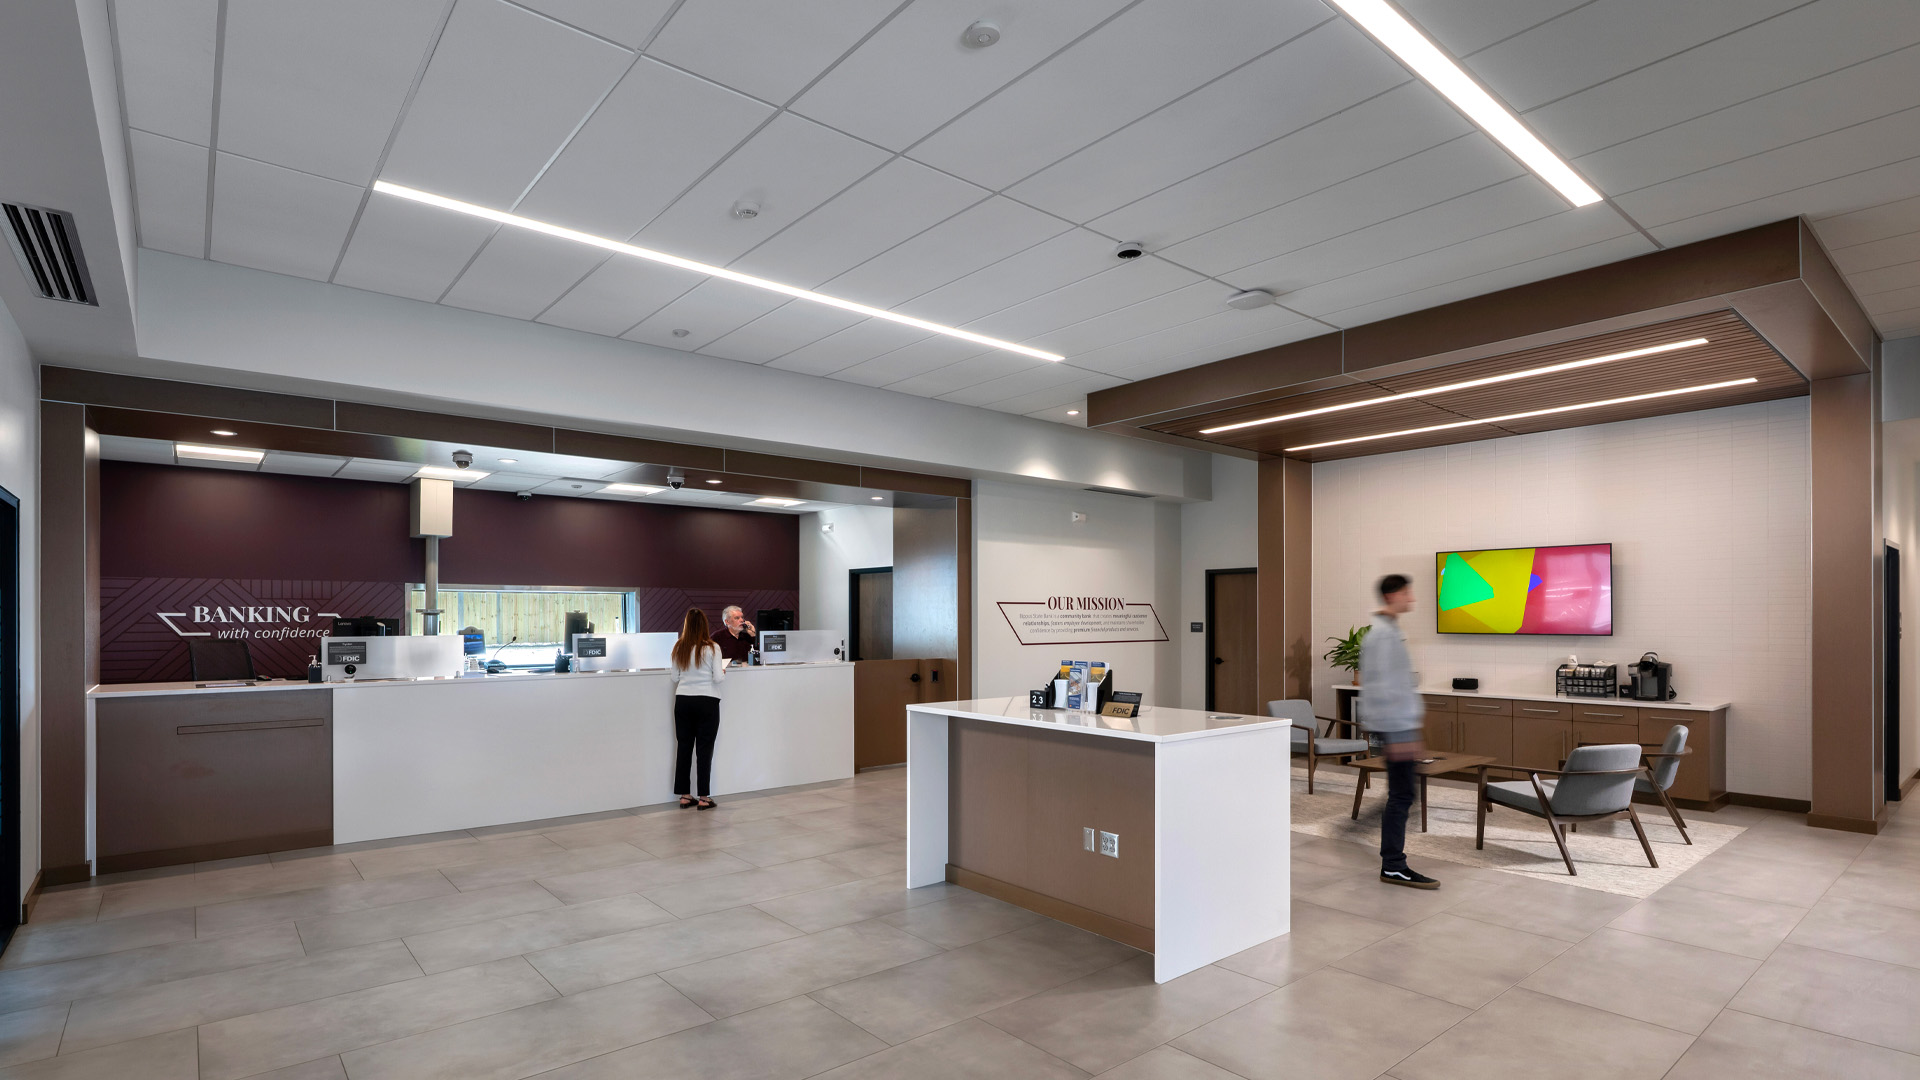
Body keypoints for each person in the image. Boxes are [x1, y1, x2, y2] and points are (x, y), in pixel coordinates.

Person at [1359, 573, 1439, 889]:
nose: (1413, 599)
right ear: (1393, 596)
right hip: (1396, 727)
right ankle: (1393, 864)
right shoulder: (1381, 636)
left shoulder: (1389, 632)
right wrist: (1399, 735)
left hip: (1401, 726)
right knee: (1402, 795)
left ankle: (1388, 856)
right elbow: (1378, 689)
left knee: (1403, 794)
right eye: (1408, 593)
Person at [671, 607, 728, 810]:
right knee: (705, 749)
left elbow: (674, 677)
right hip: (707, 701)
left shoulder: (679, 647)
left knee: (684, 748)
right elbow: (718, 678)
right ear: (704, 625)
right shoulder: (712, 647)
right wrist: (722, 670)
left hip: (683, 700)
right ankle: (704, 797)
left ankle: (685, 796)